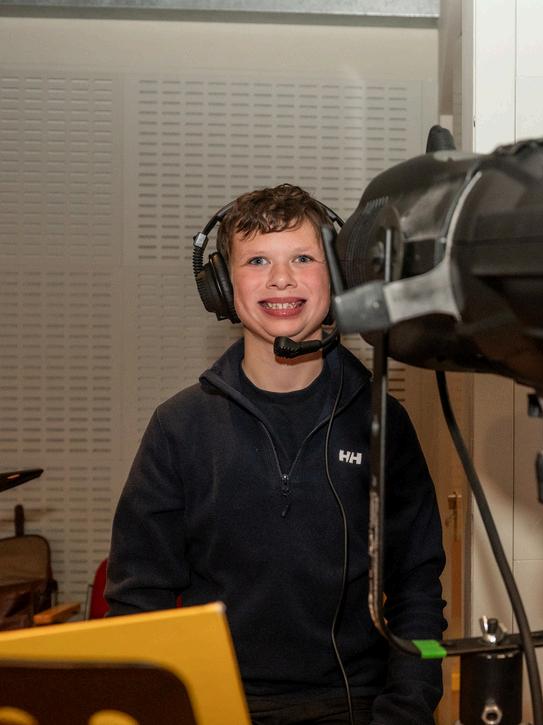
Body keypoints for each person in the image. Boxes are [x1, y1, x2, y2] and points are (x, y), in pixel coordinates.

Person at [106, 184, 446, 724]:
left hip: (357, 708)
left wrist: (407, 710)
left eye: (303, 259)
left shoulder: (383, 422)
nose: (281, 278)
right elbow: (138, 603)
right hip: (215, 708)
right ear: (222, 286)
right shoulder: (179, 427)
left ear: (338, 278)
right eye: (258, 260)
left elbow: (418, 593)